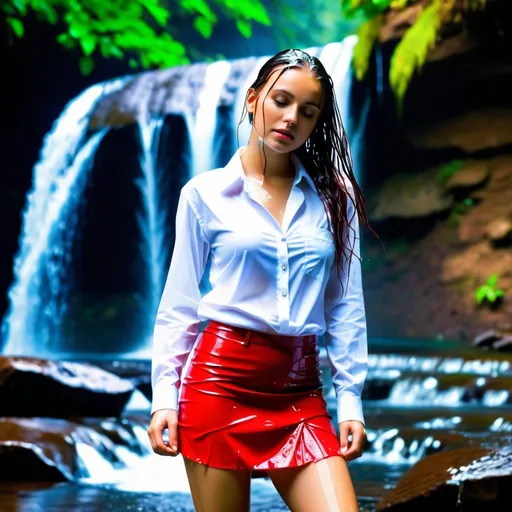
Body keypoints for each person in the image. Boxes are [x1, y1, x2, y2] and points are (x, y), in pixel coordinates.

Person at [147, 48, 372, 512]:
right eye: (281, 101)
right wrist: (163, 398)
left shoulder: (336, 197)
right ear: (253, 99)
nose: (291, 118)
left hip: (301, 391)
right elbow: (180, 306)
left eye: (307, 112)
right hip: (217, 385)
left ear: (317, 123)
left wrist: (349, 400)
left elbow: (345, 304)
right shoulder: (204, 195)